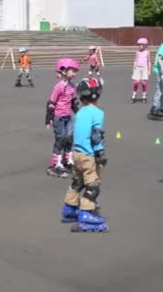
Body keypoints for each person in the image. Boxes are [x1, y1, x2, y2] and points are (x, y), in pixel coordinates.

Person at [60, 77, 108, 232]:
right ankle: (86, 213)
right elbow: (96, 136)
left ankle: (70, 208)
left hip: (76, 153)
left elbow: (74, 132)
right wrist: (100, 153)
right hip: (88, 155)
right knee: (92, 185)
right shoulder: (98, 113)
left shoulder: (80, 112)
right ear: (98, 94)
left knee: (78, 181)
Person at [46, 58, 80, 178]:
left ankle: (67, 161)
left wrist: (79, 113)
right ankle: (56, 164)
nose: (75, 73)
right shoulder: (58, 86)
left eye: (76, 71)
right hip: (58, 117)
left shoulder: (72, 86)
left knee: (69, 138)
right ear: (64, 70)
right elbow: (51, 102)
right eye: (73, 70)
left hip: (68, 117)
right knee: (60, 139)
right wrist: (48, 118)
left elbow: (73, 102)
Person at [131, 38, 151, 103]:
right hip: (137, 68)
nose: (140, 46)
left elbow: (149, 62)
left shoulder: (147, 52)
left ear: (145, 45)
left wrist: (149, 70)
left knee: (143, 83)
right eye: (139, 45)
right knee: (136, 83)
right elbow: (135, 61)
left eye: (142, 45)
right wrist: (134, 69)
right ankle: (134, 95)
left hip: (144, 68)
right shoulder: (137, 52)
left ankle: (144, 96)